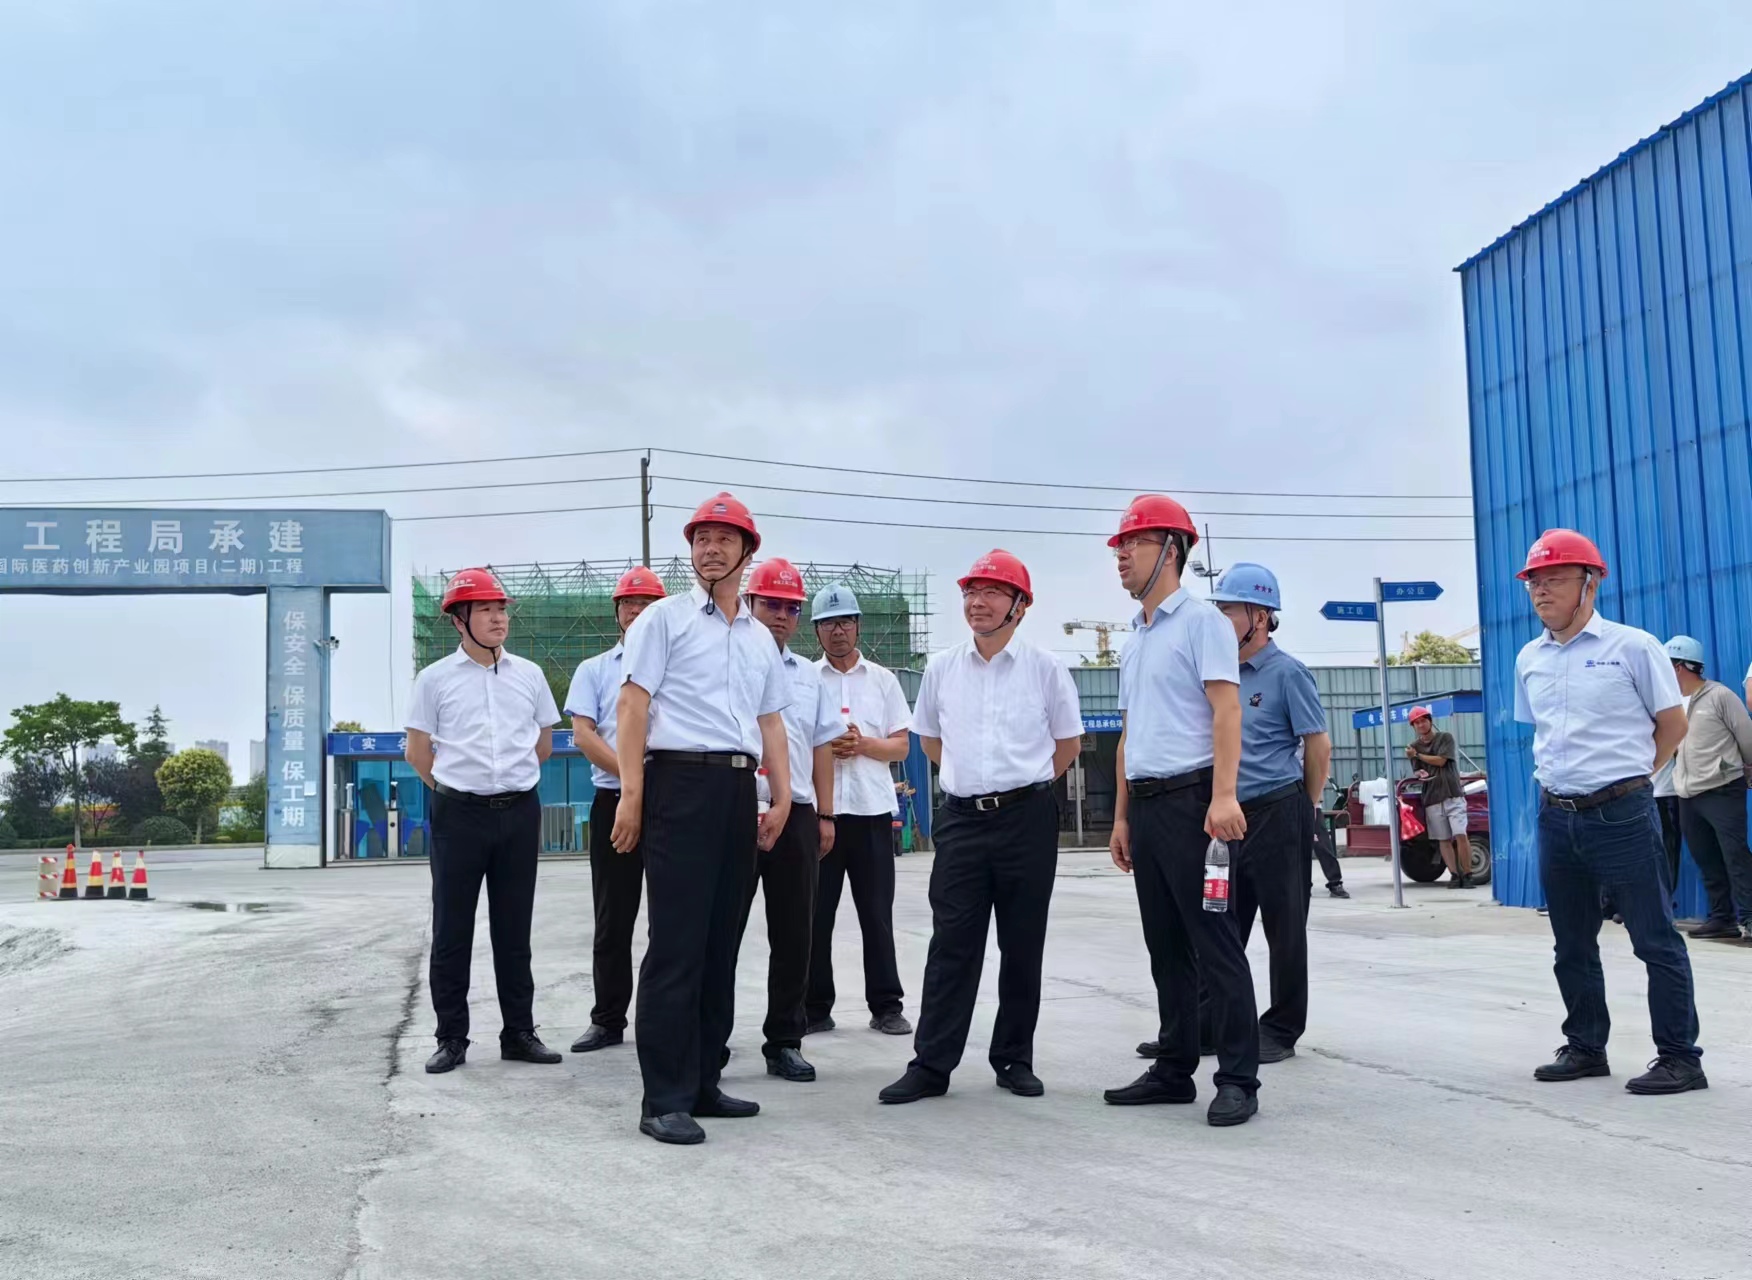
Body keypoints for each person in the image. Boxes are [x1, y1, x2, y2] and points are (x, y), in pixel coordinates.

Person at [612, 493, 793, 1145]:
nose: (710, 549)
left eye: (724, 539)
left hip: (738, 790)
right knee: (677, 944)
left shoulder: (759, 638)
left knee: (721, 944)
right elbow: (633, 706)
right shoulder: (663, 619)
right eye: (700, 539)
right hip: (678, 784)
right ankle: (662, 1099)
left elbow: (771, 721)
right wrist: (632, 793)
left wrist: (782, 797)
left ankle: (702, 1083)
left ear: (748, 551)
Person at [878, 550, 1081, 1105]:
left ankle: (1014, 1058)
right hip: (963, 821)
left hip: (1027, 820)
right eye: (971, 591)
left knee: (1022, 943)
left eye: (991, 591)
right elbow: (928, 738)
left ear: (1020, 605)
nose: (977, 602)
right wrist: (969, 779)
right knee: (952, 944)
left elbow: (1067, 744)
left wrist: (1022, 784)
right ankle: (931, 1064)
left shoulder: (1045, 668)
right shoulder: (943, 668)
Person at [1515, 530, 1703, 1095]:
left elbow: (1673, 725)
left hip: (1621, 813)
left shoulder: (1633, 646)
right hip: (1556, 815)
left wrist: (1634, 779)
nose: (1541, 590)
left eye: (1555, 579)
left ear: (1590, 584)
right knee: (1571, 943)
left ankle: (1680, 1058)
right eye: (1534, 581)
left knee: (1654, 938)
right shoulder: (1529, 658)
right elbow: (1542, 732)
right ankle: (1585, 1047)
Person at [1102, 496, 1259, 1128]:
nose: (1121, 556)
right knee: (1164, 947)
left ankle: (1239, 1078)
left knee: (1216, 942)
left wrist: (1223, 796)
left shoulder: (1202, 623)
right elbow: (1129, 736)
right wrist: (1121, 818)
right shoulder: (1135, 640)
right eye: (1118, 546)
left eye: (1132, 543)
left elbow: (1227, 710)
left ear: (1172, 549)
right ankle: (1173, 1069)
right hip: (1146, 808)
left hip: (1195, 806)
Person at [404, 568, 563, 1075]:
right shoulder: (433, 680)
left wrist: (510, 783)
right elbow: (417, 753)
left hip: (519, 812)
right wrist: (458, 790)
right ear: (459, 620)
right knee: (452, 929)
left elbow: (543, 744)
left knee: (514, 929)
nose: (499, 619)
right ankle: (451, 1037)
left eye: (502, 609)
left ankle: (519, 1033)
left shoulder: (529, 674)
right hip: (459, 815)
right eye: (486, 610)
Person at [1198, 562, 1331, 1064]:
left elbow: (1318, 746)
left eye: (1229, 609)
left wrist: (1305, 808)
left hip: (1277, 810)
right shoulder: (1216, 673)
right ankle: (1210, 1023)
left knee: (1284, 925)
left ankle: (1280, 1027)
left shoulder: (1287, 673)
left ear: (1259, 615)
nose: (1220, 618)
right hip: (1226, 819)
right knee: (1218, 922)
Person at [738, 558, 844, 1082]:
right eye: (771, 604)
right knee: (720, 930)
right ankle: (708, 1040)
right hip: (738, 808)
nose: (780, 615)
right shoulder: (729, 661)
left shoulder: (810, 678)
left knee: (795, 934)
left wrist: (825, 814)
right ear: (749, 604)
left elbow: (822, 748)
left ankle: (784, 1040)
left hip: (797, 813)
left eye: (790, 607)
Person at [564, 565, 667, 1054]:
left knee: (672, 918)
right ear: (618, 612)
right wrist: (632, 782)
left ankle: (667, 1019)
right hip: (614, 801)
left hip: (670, 801)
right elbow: (583, 734)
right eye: (629, 603)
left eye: (646, 604)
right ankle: (607, 1019)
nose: (636, 611)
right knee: (613, 917)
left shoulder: (679, 666)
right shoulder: (594, 669)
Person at [808, 582, 915, 1038]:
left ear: (858, 626)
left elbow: (901, 746)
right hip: (822, 814)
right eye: (829, 623)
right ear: (816, 630)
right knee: (816, 916)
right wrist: (826, 745)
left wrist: (862, 744)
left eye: (846, 621)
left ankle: (887, 1006)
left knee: (876, 914)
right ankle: (814, 1007)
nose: (838, 631)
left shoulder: (883, 680)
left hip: (872, 813)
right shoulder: (806, 679)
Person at [1666, 635, 1752, 941]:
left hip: (1722, 789)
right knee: (1706, 858)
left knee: (1735, 855)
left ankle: (1750, 917)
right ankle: (1722, 918)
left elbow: (1747, 737)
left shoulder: (1720, 696)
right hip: (1687, 794)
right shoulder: (1671, 703)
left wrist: (1748, 771)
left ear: (1680, 667)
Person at [1406, 707, 1473, 889]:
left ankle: (1468, 874)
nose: (1421, 725)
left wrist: (1417, 755)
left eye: (1423, 720)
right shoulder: (1413, 746)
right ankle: (1454, 874)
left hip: (1452, 794)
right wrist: (1419, 771)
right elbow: (1417, 769)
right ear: (1413, 726)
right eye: (1416, 723)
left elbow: (1442, 760)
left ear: (1430, 721)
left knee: (1460, 834)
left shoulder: (1445, 738)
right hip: (1432, 797)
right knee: (1443, 839)